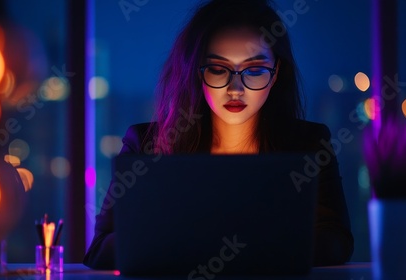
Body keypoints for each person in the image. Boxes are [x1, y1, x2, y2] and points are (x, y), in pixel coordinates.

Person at [84, 0, 354, 269]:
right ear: (196, 71)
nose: (235, 88)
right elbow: (100, 251)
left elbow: (336, 243)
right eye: (218, 69)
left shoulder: (307, 144)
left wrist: (192, 238)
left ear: (275, 74)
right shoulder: (147, 145)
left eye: (255, 70)